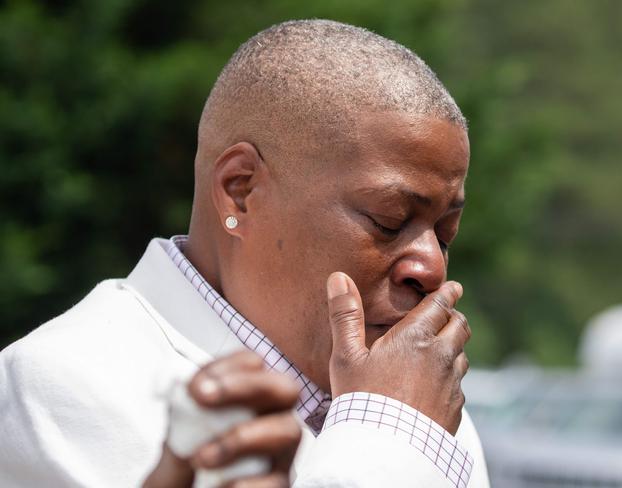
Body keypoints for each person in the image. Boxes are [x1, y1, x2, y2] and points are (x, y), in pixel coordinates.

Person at [0, 19, 490, 487]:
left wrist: (395, 425)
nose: (432, 266)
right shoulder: (58, 387)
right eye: (388, 219)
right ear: (241, 192)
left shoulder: (422, 404)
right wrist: (390, 439)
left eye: (446, 233)